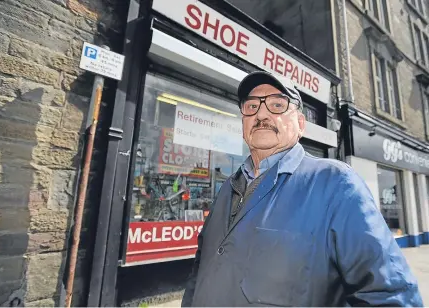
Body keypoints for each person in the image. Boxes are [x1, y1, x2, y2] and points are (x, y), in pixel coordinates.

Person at [181, 71, 423, 307]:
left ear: (300, 125)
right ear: (244, 121)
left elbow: (390, 297)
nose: (261, 114)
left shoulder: (336, 184)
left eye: (277, 105)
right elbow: (199, 271)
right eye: (251, 107)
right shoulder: (227, 189)